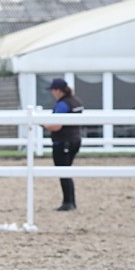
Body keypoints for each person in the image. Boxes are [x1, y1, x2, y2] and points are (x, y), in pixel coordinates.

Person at [44, 78, 84, 211]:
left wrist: (44, 125)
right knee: (67, 170)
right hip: (75, 139)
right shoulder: (76, 102)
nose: (52, 93)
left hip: (63, 141)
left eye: (53, 90)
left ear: (58, 90)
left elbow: (56, 126)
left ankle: (68, 201)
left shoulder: (63, 105)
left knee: (63, 170)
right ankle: (70, 200)